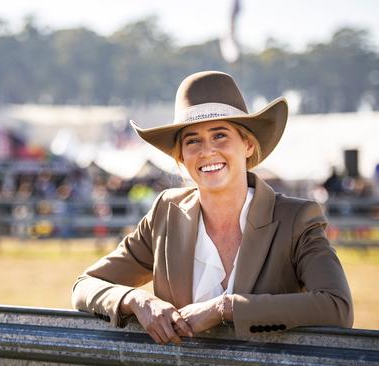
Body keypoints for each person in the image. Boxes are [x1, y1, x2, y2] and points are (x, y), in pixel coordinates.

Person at [71, 71, 353, 344]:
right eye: (193, 140)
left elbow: (337, 307)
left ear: (247, 144)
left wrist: (224, 308)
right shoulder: (165, 214)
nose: (207, 151)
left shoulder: (297, 219)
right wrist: (136, 300)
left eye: (220, 135)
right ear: (181, 156)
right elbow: (85, 285)